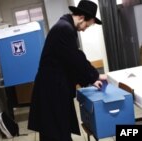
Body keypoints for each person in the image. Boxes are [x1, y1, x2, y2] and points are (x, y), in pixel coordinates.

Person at [28, 0, 107, 141]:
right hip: (52, 92)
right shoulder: (64, 29)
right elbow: (75, 60)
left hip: (53, 89)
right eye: (86, 26)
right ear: (81, 17)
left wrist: (92, 77)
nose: (84, 29)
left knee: (54, 132)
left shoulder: (64, 26)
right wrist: (94, 76)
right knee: (56, 134)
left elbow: (73, 58)